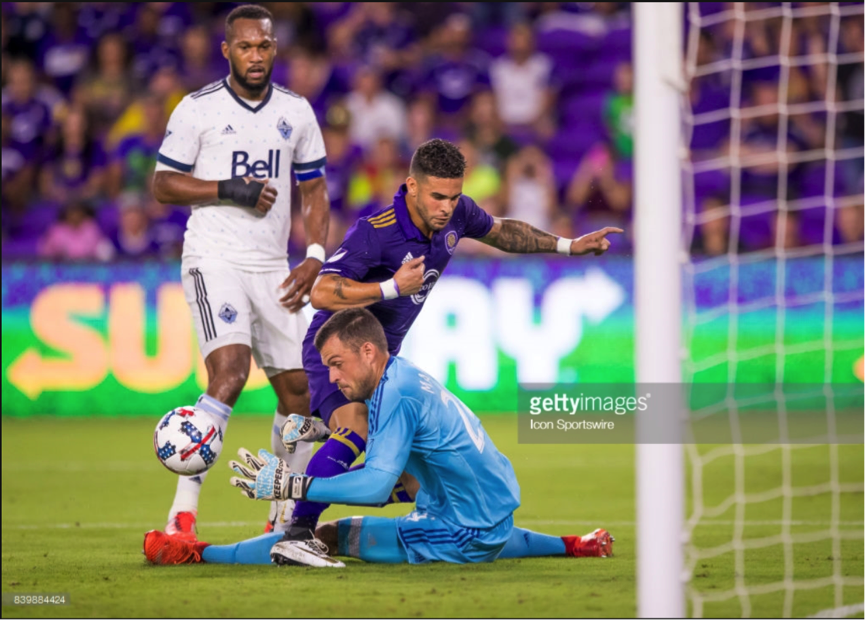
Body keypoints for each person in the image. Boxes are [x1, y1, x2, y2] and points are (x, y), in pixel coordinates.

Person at [267, 138, 621, 566]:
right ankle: (298, 532)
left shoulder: (457, 213)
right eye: (437, 196)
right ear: (411, 186)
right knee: (354, 429)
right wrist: (391, 287)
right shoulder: (375, 233)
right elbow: (321, 292)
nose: (447, 207)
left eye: (454, 196)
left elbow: (503, 232)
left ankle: (316, 431)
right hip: (340, 348)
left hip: (381, 362)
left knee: (422, 483)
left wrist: (568, 246)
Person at [144, 308, 614, 567]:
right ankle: (574, 544)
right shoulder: (405, 378)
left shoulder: (397, 396)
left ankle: (197, 554)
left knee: (324, 535)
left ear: (368, 351)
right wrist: (325, 428)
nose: (330, 377)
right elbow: (396, 468)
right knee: (434, 495)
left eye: (336, 363)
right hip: (491, 510)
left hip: (460, 531)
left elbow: (372, 487)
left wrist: (291, 485)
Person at [150, 5, 330, 542]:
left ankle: (284, 507)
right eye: (246, 47)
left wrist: (316, 253)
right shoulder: (196, 109)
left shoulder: (297, 111)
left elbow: (315, 189)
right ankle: (182, 516)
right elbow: (163, 184)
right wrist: (228, 189)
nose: (256, 55)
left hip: (274, 266)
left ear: (275, 49)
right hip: (214, 257)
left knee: (299, 392)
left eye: (265, 46)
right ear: (226, 50)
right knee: (229, 373)